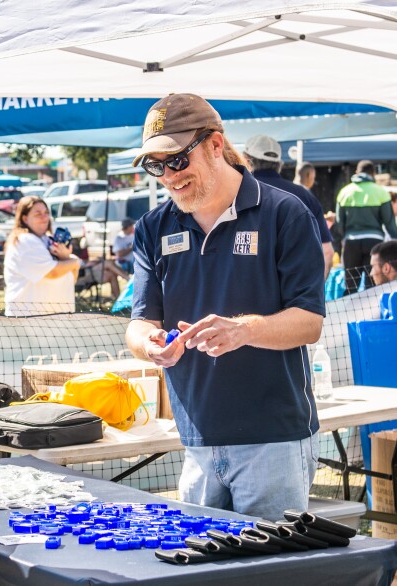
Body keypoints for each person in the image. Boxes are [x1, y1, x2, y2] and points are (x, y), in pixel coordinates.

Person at [125, 93, 324, 521]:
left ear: (216, 145)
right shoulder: (152, 226)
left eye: (177, 160)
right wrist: (151, 345)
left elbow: (309, 322)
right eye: (156, 165)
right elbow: (139, 323)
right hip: (195, 439)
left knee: (269, 572)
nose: (168, 176)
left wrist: (243, 331)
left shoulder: (284, 213)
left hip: (274, 440)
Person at [244, 135, 334, 279]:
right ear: (279, 164)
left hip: (247, 291)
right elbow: (327, 252)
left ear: (245, 159)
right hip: (294, 291)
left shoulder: (235, 194)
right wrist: (311, 294)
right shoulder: (304, 196)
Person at [4, 195, 80, 316]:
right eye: (38, 213)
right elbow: (53, 272)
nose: (44, 217)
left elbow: (72, 279)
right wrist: (74, 261)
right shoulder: (25, 241)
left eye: (46, 212)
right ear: (24, 218)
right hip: (28, 322)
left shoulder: (47, 240)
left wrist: (67, 259)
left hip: (56, 322)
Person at [336, 160, 397, 294]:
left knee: (350, 286)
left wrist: (346, 238)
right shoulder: (380, 192)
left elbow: (339, 223)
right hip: (374, 243)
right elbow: (389, 223)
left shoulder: (344, 192)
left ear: (357, 172)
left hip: (351, 242)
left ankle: (351, 315)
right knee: (373, 285)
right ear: (373, 174)